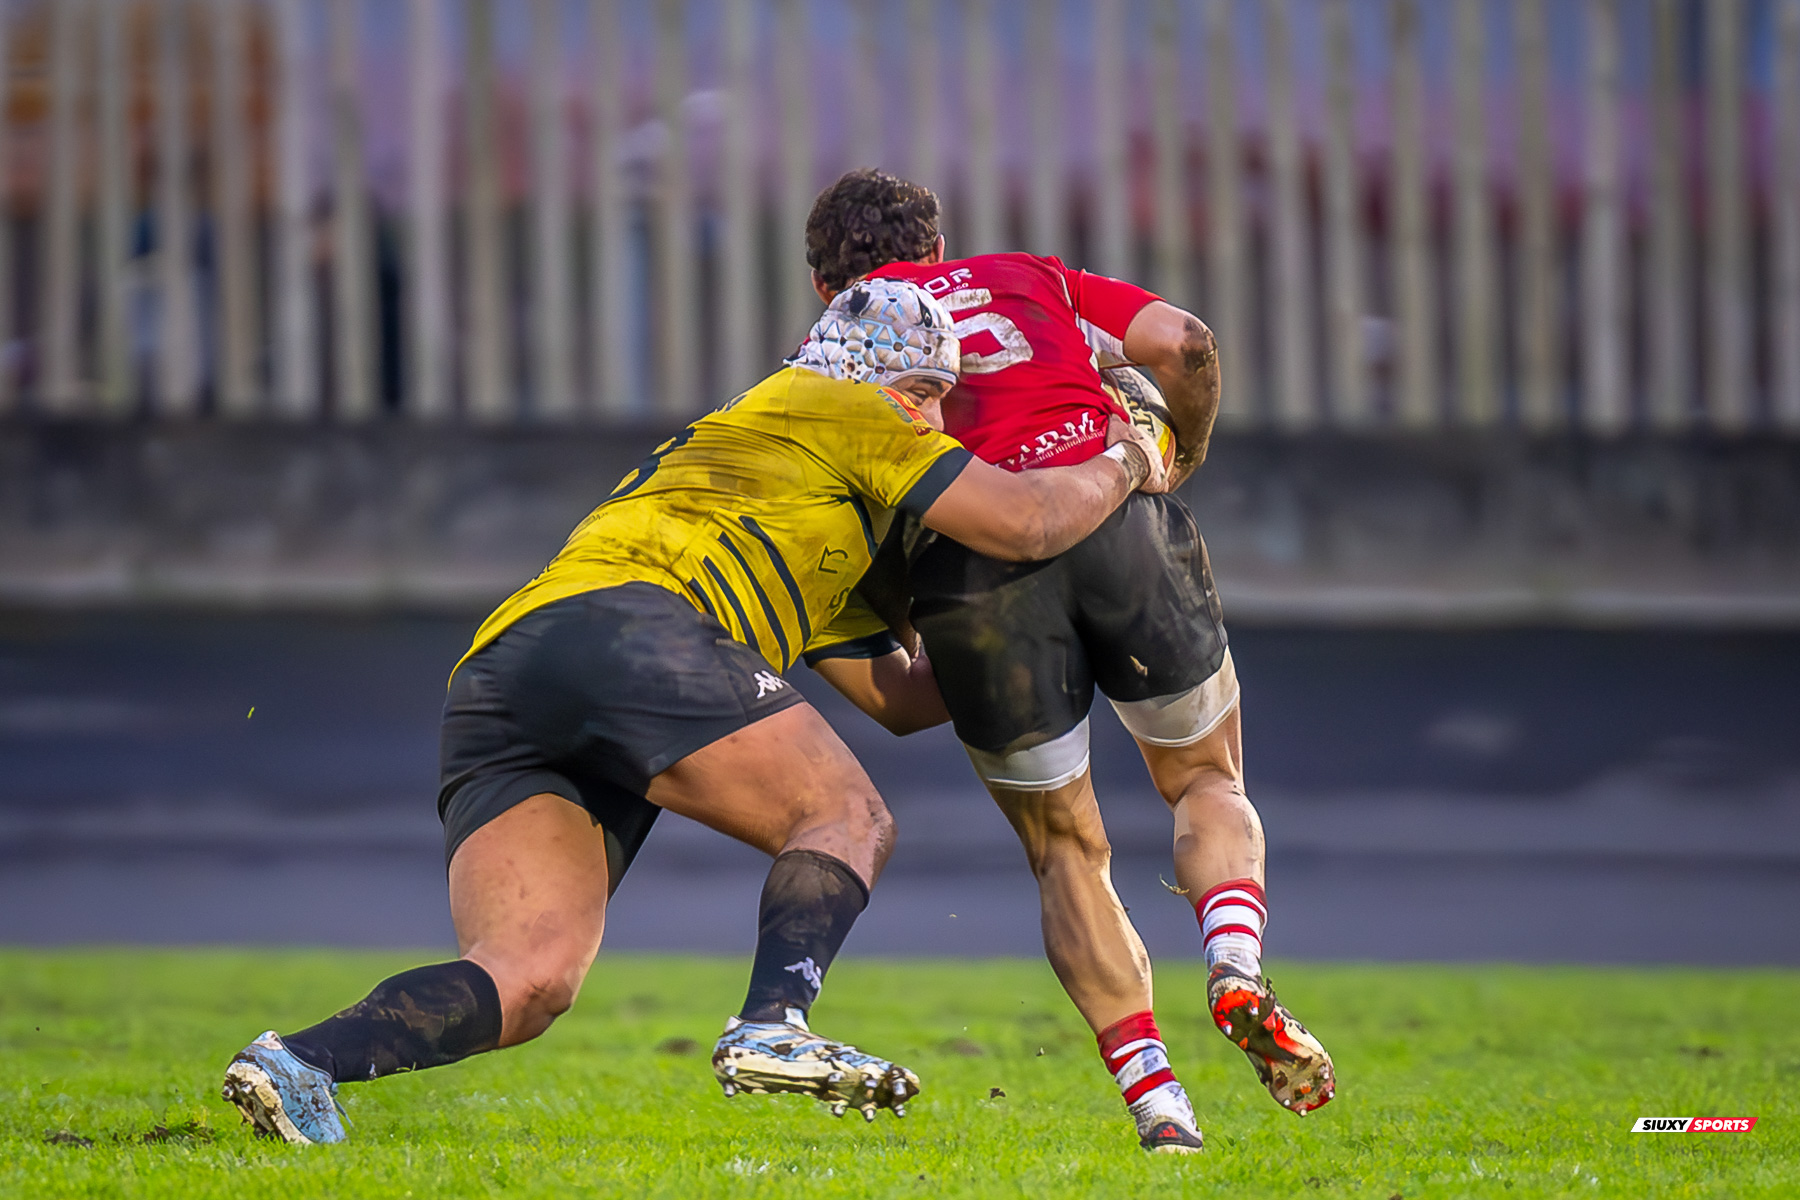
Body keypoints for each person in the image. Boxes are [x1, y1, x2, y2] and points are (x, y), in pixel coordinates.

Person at [219, 278, 1167, 1145]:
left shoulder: (788, 477)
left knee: (532, 975)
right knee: (848, 816)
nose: (934, 422)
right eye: (927, 396)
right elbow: (1027, 518)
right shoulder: (844, 406)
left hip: (508, 667)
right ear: (884, 377)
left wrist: (1055, 651)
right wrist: (1129, 456)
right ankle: (773, 1025)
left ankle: (301, 1062)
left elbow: (907, 699)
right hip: (631, 626)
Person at [800, 170, 1336, 1155]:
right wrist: (1184, 452)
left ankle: (1158, 1101)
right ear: (937, 241)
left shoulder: (822, 360)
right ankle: (1236, 969)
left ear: (823, 280)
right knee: (1205, 778)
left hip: (970, 576)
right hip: (1117, 513)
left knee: (1064, 851)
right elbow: (1185, 343)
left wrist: (905, 623)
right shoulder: (1019, 274)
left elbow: (842, 536)